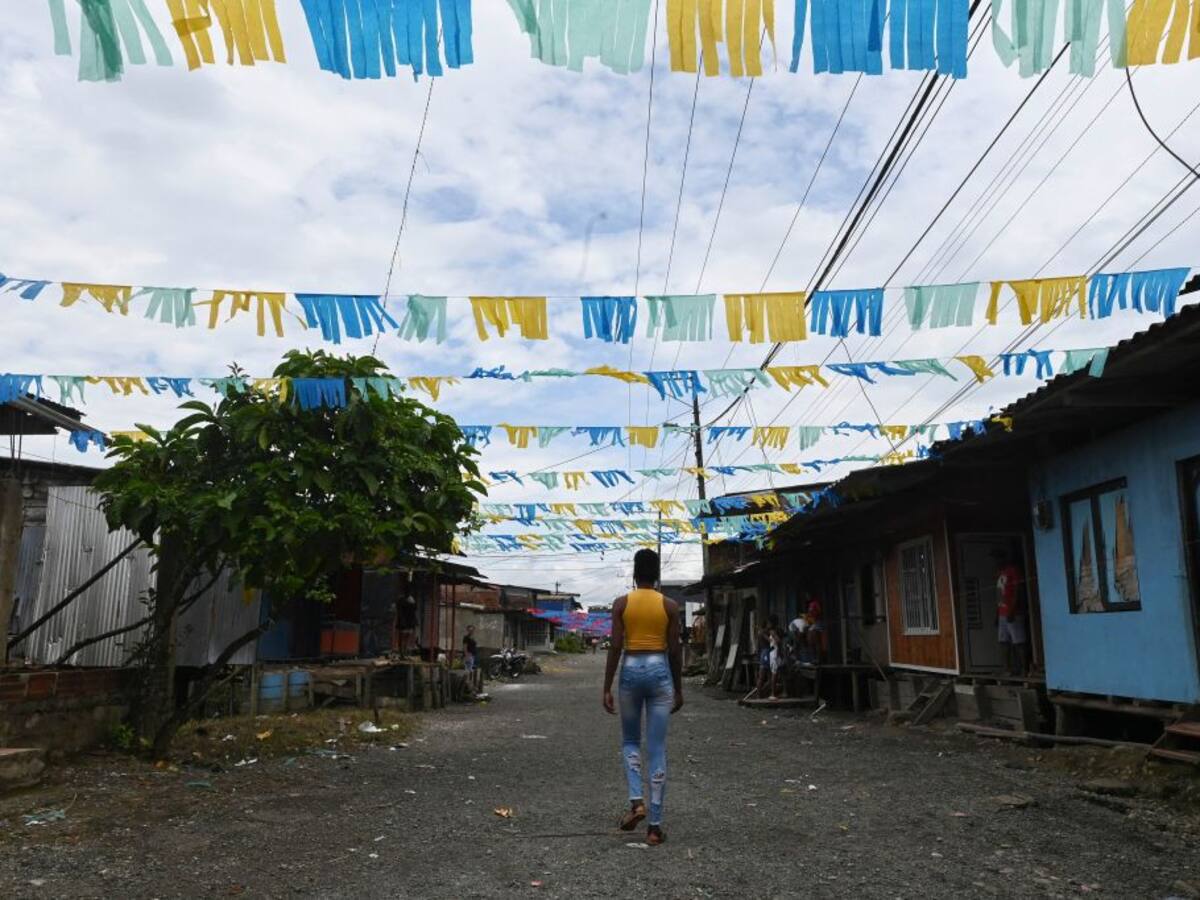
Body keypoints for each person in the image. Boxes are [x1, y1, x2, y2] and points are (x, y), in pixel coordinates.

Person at [603, 549, 683, 847]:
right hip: (660, 669)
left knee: (630, 741)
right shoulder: (670, 605)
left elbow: (614, 647)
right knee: (657, 746)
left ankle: (637, 802)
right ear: (657, 574)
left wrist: (606, 686)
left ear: (635, 575)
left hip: (631, 669)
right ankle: (654, 827)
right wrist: (679, 688)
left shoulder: (622, 604)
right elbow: (675, 650)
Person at [996, 551, 1029, 676]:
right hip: (1002, 613)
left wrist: (1012, 610)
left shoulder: (1013, 571)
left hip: (1013, 612)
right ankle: (1007, 669)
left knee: (1018, 641)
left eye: (999, 558)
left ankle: (1024, 669)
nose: (996, 562)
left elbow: (1017, 591)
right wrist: (997, 614)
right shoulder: (1000, 574)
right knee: (1003, 641)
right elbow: (999, 595)